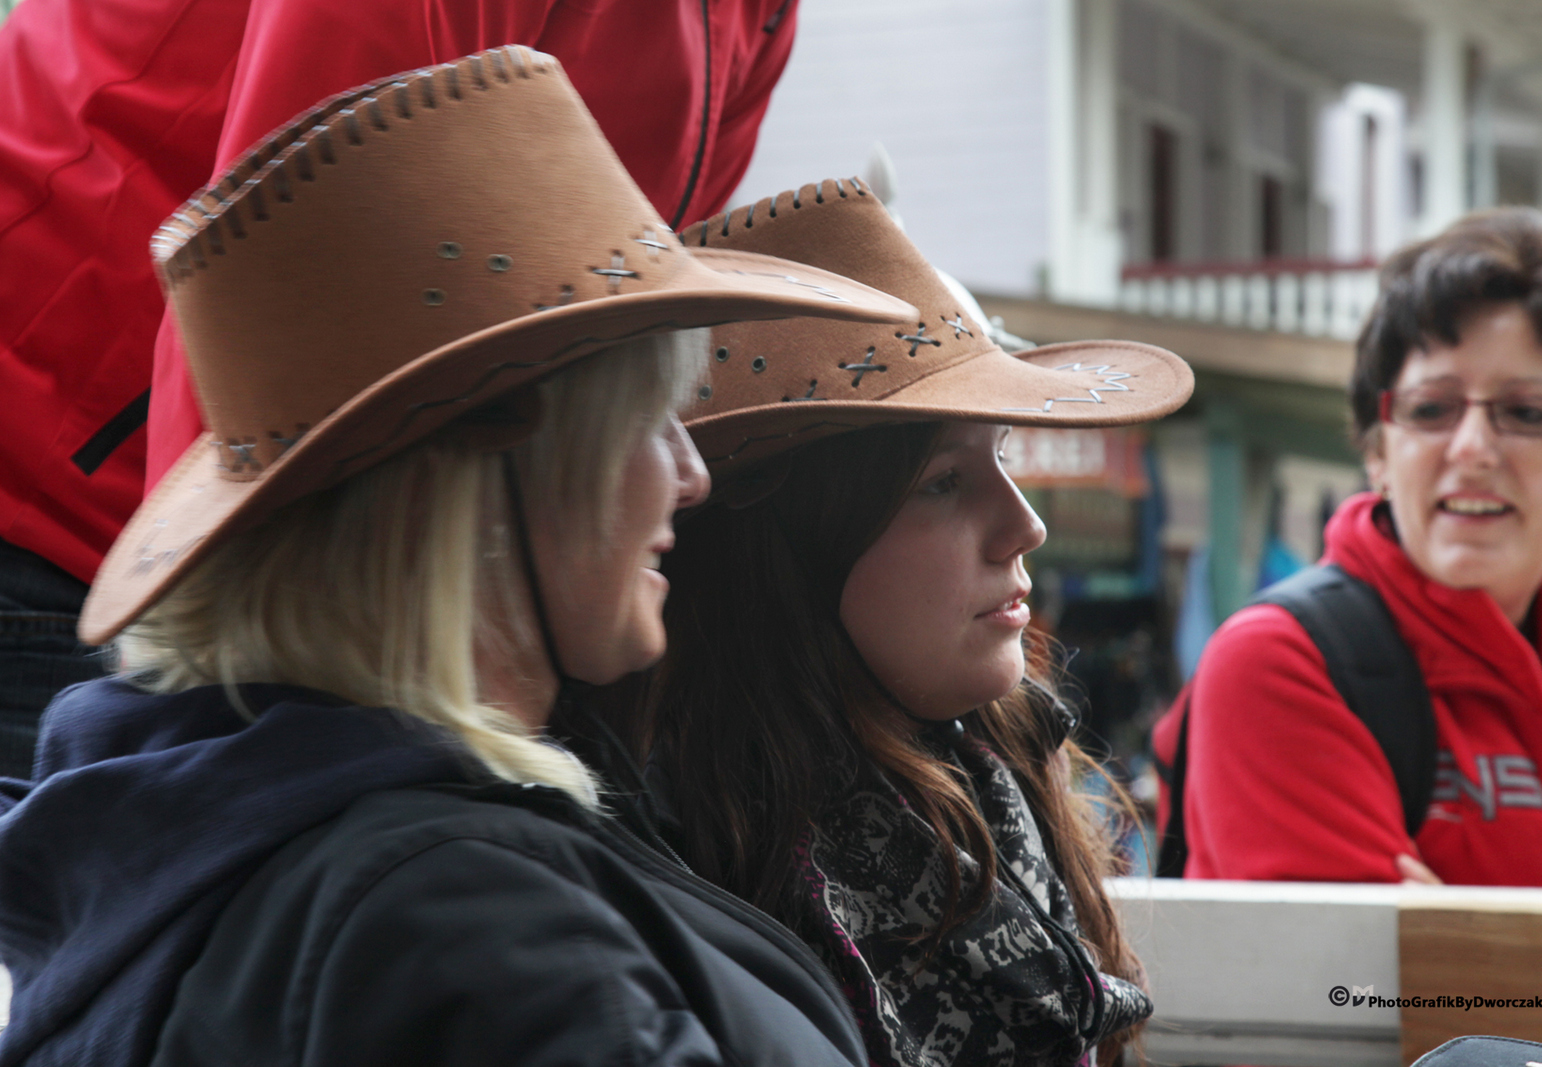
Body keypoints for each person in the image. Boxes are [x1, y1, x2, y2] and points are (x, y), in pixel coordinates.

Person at [0, 50, 917, 1067]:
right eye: (648, 417)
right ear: (492, 475)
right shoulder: (472, 923)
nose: (691, 473)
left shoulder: (205, 845)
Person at [0, 0, 799, 779]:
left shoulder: (760, 13)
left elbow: (634, 303)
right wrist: (198, 666)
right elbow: (293, 250)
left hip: (350, 526)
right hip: (68, 508)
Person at [631, 184, 1193, 1067]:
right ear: (791, 551)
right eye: (943, 482)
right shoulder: (679, 868)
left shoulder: (1001, 769)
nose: (1025, 526)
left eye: (1003, 456)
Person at [1175, 208, 1542, 886]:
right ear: (1378, 452)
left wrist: (1451, 928)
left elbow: (1434, 954)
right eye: (1431, 409)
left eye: (1527, 413)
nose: (1472, 449)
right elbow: (1359, 961)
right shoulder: (1282, 662)